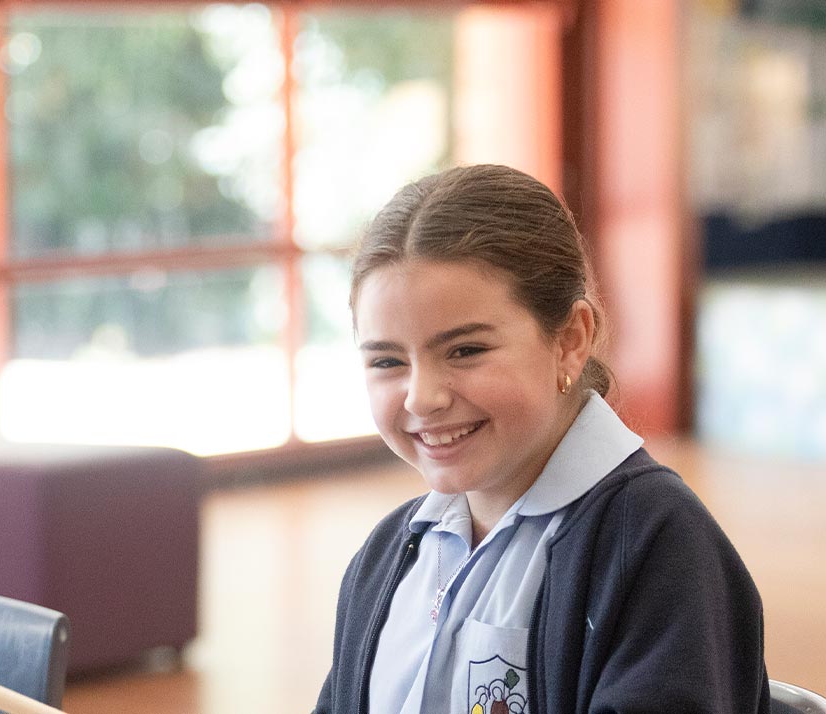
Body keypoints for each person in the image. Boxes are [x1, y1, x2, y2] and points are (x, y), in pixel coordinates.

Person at [312, 165, 768, 714]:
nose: (421, 398)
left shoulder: (656, 544)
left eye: (466, 351)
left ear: (571, 340)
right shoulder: (389, 554)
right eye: (387, 360)